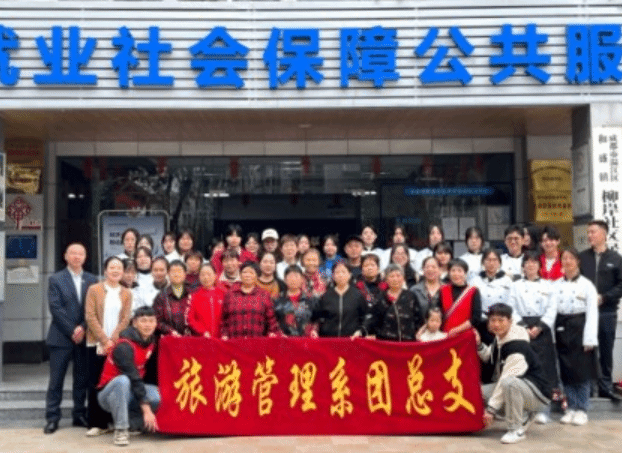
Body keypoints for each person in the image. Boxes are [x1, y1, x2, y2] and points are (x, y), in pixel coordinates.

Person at [44, 243, 99, 434]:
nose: (77, 256)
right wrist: (72, 330)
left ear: (85, 257)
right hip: (60, 337)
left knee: (81, 379)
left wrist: (83, 327)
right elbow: (56, 308)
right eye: (73, 253)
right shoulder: (56, 279)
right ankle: (52, 417)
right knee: (56, 380)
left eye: (80, 253)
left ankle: (79, 414)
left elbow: (93, 308)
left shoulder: (92, 279)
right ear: (65, 256)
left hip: (85, 337)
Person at [478, 303, 551, 444]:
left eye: (501, 320)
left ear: (510, 321)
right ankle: (524, 414)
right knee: (479, 393)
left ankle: (515, 429)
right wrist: (479, 344)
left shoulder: (516, 346)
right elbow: (490, 356)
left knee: (509, 383)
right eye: (493, 320)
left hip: (538, 393)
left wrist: (491, 410)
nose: (496, 324)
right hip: (521, 387)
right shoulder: (501, 337)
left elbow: (508, 378)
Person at [96, 306, 160, 446]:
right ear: (134, 323)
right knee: (123, 381)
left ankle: (132, 424)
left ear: (156, 323)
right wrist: (146, 409)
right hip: (108, 395)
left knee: (157, 395)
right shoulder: (124, 346)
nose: (148, 325)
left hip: (130, 391)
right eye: (143, 321)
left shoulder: (151, 342)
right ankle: (121, 430)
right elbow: (133, 377)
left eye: (151, 321)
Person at [508, 251, 558, 424]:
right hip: (521, 328)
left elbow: (552, 309)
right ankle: (524, 409)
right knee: (523, 368)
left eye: (534, 262)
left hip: (542, 330)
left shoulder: (548, 285)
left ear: (539, 265)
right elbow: (511, 307)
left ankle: (543, 410)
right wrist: (524, 326)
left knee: (544, 370)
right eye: (527, 262)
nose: (530, 265)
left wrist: (540, 326)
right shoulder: (515, 286)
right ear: (523, 266)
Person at [84, 256, 132, 436]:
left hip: (117, 345)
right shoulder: (94, 290)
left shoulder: (127, 293)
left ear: (123, 272)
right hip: (96, 343)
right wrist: (105, 340)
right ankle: (97, 423)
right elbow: (90, 316)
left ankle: (114, 421)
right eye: (112, 267)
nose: (115, 270)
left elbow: (125, 319)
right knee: (96, 381)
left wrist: (113, 339)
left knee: (114, 382)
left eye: (119, 268)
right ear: (105, 271)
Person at [553, 248, 599, 426]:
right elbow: (552, 311)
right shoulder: (556, 285)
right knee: (566, 370)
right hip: (562, 327)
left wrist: (590, 338)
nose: (567, 261)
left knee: (582, 371)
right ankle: (571, 407)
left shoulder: (587, 285)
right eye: (564, 258)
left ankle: (582, 409)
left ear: (578, 261)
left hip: (581, 327)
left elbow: (592, 313)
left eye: (571, 258)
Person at [579, 220, 622, 402]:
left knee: (605, 350)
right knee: (587, 350)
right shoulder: (582, 257)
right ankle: (588, 387)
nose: (589, 235)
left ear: (604, 234)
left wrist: (604, 297)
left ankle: (605, 387)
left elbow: (620, 285)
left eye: (593, 232)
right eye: (588, 232)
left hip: (607, 312)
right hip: (586, 313)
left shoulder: (616, 259)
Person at [220, 262, 282, 339]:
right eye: (244, 272)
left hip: (257, 342)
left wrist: (273, 334)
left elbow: (271, 321)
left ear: (257, 276)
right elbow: (224, 320)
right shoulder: (230, 294)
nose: (247, 275)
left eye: (251, 273)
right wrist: (224, 335)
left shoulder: (264, 295)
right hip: (234, 342)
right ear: (240, 275)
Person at [364, 264, 423, 341]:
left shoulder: (411, 296)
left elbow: (419, 319)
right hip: (386, 342)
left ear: (403, 278)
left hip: (408, 342)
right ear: (386, 279)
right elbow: (373, 319)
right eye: (391, 276)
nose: (395, 279)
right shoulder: (380, 298)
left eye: (398, 276)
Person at [313, 261, 368, 338]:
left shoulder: (358, 295)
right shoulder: (326, 296)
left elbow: (365, 317)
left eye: (343, 272)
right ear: (333, 276)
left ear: (349, 275)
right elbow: (318, 317)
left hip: (351, 339)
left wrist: (360, 331)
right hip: (329, 339)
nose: (340, 275)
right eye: (337, 272)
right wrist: (315, 330)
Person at [470, 249, 513, 344]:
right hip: (481, 321)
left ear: (499, 263)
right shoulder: (474, 281)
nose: (491, 263)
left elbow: (510, 302)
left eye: (494, 260)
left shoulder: (507, 281)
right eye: (488, 260)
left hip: (500, 322)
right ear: (483, 262)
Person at [439, 259, 482, 336]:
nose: (456, 274)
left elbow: (476, 318)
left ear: (465, 273)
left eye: (459, 271)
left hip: (465, 334)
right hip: (445, 334)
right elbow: (436, 312)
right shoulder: (442, 289)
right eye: (453, 270)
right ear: (448, 273)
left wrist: (456, 330)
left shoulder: (473, 291)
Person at [274, 265, 318, 337]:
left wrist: (314, 330)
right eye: (290, 277)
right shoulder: (277, 299)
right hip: (284, 340)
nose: (293, 279)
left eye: (296, 276)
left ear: (302, 280)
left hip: (306, 340)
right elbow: (273, 321)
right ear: (285, 279)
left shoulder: (311, 299)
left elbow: (316, 319)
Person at [152, 260, 193, 337]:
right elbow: (156, 320)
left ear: (185, 274)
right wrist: (170, 331)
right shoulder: (162, 296)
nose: (176, 274)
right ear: (168, 274)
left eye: (179, 271)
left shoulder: (192, 293)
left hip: (191, 338)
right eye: (173, 272)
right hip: (169, 338)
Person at [187, 263, 225, 338]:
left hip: (221, 338)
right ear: (199, 277)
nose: (206, 277)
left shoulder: (223, 294)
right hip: (202, 338)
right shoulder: (195, 296)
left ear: (215, 275)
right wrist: (202, 331)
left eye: (209, 274)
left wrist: (224, 333)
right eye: (203, 275)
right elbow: (191, 318)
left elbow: (227, 317)